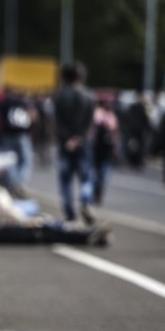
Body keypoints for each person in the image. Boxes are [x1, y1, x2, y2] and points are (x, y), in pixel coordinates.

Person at [52, 63, 96, 224]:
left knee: (65, 179)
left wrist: (68, 139)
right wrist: (80, 138)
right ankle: (85, 201)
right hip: (83, 143)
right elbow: (90, 123)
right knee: (86, 177)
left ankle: (70, 211)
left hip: (65, 144)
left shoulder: (60, 97)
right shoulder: (89, 96)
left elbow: (57, 123)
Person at [91, 98, 119, 204]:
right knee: (96, 174)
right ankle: (96, 192)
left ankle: (98, 193)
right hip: (97, 150)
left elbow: (116, 134)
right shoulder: (98, 114)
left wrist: (115, 149)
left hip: (106, 151)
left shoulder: (112, 117)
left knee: (103, 175)